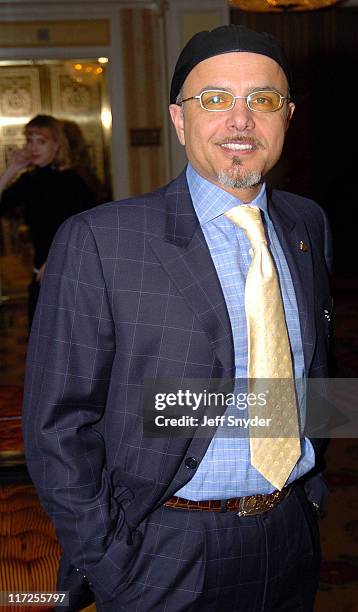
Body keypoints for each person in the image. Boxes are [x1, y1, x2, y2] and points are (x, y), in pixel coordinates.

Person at [23, 26, 334, 612]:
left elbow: (314, 370)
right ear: (178, 119)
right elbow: (56, 425)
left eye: (262, 100)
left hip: (291, 535)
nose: (240, 121)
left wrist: (312, 498)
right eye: (214, 99)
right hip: (162, 551)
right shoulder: (100, 240)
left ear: (287, 115)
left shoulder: (306, 226)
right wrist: (110, 558)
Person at [0, 114, 97, 325]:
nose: (33, 147)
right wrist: (12, 169)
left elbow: (91, 230)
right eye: (30, 140)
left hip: (71, 274)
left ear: (57, 145)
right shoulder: (30, 180)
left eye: (41, 141)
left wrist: (57, 258)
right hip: (41, 275)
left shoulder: (75, 180)